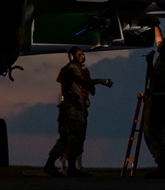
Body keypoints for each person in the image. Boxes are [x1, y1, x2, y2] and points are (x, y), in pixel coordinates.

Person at [43, 46, 113, 178]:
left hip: (73, 108)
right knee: (74, 138)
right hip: (72, 109)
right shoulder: (71, 70)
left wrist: (90, 86)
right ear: (72, 56)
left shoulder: (73, 70)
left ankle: (62, 166)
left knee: (70, 139)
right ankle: (62, 167)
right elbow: (81, 82)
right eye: (79, 54)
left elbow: (84, 84)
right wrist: (99, 81)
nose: (82, 56)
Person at [144, 27, 165, 179]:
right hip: (156, 100)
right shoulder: (162, 58)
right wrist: (155, 25)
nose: (159, 47)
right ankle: (162, 164)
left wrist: (150, 63)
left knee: (156, 134)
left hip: (159, 102)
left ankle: (163, 166)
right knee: (151, 132)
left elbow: (154, 80)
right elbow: (159, 38)